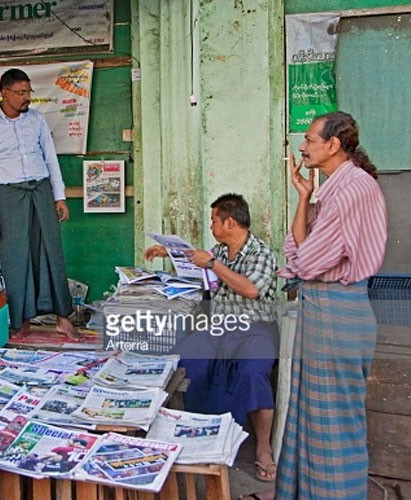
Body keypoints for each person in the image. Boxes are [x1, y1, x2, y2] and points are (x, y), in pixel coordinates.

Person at [270, 111, 387, 500]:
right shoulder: (333, 186)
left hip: (338, 311)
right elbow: (297, 246)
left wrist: (300, 258)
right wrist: (303, 196)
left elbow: (305, 259)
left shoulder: (353, 188)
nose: (301, 147)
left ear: (333, 145)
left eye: (308, 139)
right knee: (310, 418)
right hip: (322, 310)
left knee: (333, 426)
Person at [144, 193, 279, 482]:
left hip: (255, 329)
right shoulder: (217, 250)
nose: (211, 227)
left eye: (214, 220)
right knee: (183, 359)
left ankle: (263, 448)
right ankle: (189, 432)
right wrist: (167, 253)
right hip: (219, 328)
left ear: (229, 222)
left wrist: (213, 265)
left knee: (254, 373)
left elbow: (251, 289)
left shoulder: (261, 254)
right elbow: (196, 260)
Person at [0, 68, 79, 340]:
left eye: (28, 92)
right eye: (20, 93)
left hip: (41, 189)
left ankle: (63, 318)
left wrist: (60, 196)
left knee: (51, 251)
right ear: (4, 93)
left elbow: (51, 160)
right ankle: (21, 321)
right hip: (10, 195)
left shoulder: (38, 121)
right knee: (16, 257)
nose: (26, 98)